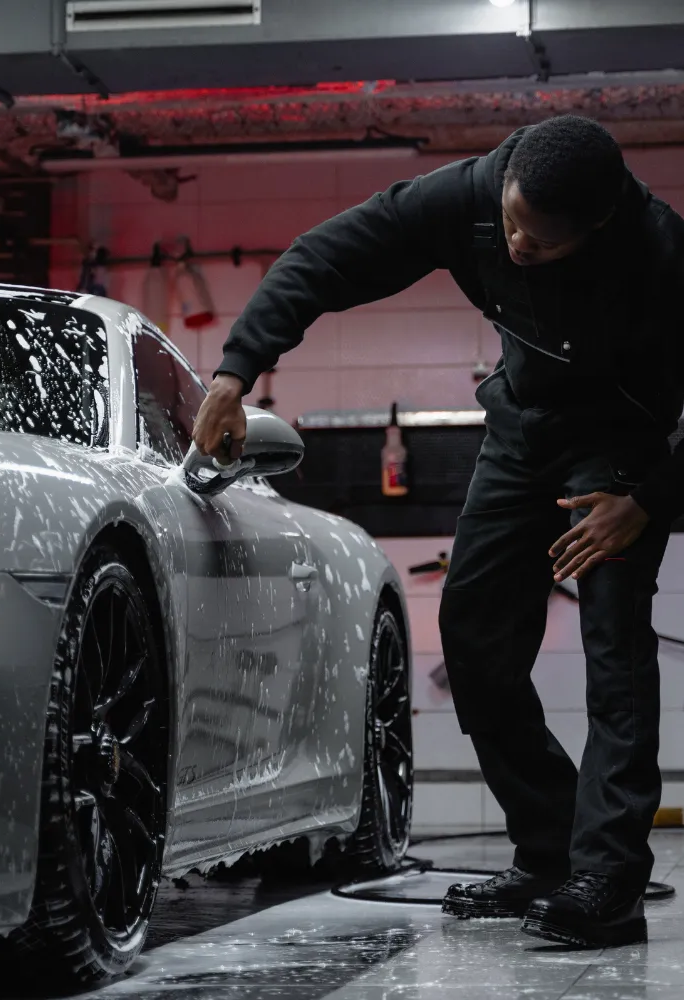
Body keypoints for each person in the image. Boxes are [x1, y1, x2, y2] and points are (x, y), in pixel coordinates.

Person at [190, 114, 684, 948]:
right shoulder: (472, 194)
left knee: (613, 645)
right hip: (521, 431)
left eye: (541, 240)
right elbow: (324, 258)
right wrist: (236, 370)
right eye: (514, 223)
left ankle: (610, 879)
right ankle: (550, 850)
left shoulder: (661, 251)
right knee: (474, 637)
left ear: (598, 227)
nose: (518, 245)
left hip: (620, 455)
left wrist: (646, 500)